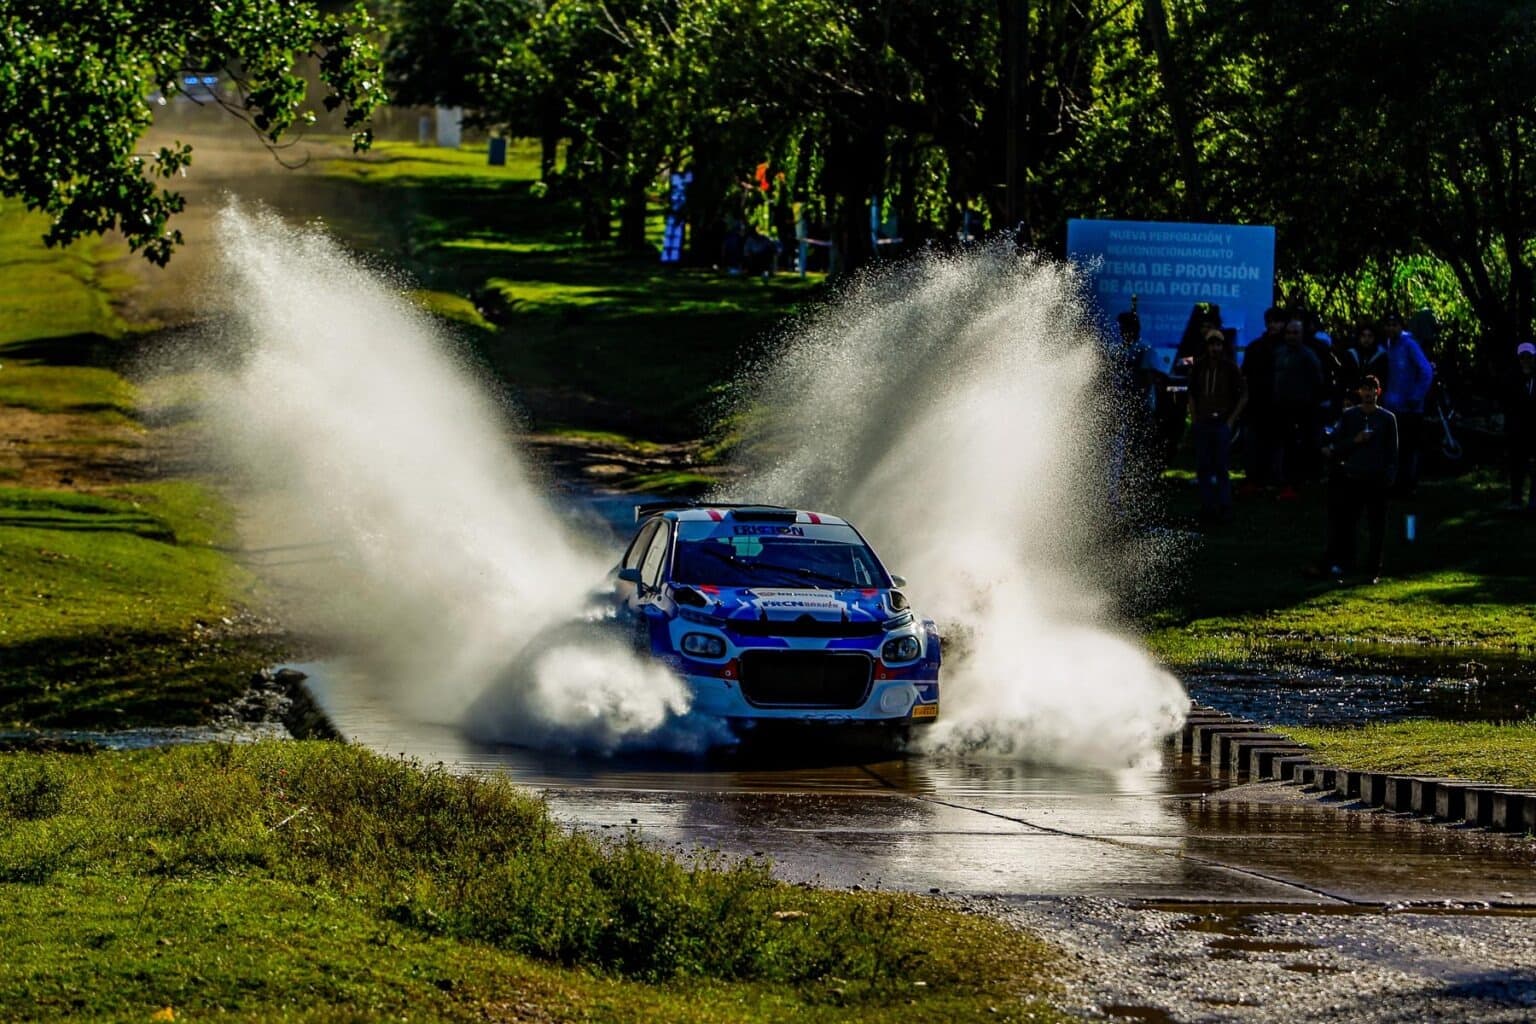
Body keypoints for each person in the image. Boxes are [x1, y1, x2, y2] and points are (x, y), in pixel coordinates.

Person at [1323, 374, 1398, 582]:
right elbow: (1337, 447)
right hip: (1353, 477)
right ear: (1359, 392)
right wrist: (1354, 441)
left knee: (1377, 527)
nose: (1368, 394)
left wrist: (1389, 476)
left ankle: (1373, 569)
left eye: (1372, 390)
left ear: (1378, 392)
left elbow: (1393, 451)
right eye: (1365, 389)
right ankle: (1348, 564)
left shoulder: (1387, 419)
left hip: (1377, 479)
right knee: (1348, 524)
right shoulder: (1350, 417)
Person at [1187, 328, 1247, 523]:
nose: (1215, 348)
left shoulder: (1230, 368)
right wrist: (1195, 418)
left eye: (1218, 344)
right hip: (1203, 422)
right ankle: (1207, 507)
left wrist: (1231, 421)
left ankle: (1224, 506)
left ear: (1223, 346)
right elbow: (1191, 393)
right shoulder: (1199, 367)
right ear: (1207, 346)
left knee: (1221, 466)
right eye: (1212, 344)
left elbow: (1244, 395)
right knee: (1203, 466)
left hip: (1221, 423)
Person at [1380, 312, 1434, 495]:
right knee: (1395, 447)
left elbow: (1426, 371)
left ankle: (1409, 485)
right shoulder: (1388, 346)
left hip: (1410, 407)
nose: (1391, 328)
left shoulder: (1409, 345)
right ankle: (1397, 484)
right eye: (1388, 325)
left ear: (1401, 327)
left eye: (1394, 325)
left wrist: (1416, 396)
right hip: (1392, 406)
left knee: (1409, 448)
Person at [1271, 318, 1325, 497]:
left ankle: (1296, 483)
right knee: (1282, 446)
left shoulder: (1309, 356)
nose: (1291, 336)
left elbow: (1318, 383)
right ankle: (1282, 480)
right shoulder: (1278, 353)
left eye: (1295, 333)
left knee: (1298, 447)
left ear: (1302, 335)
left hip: (1302, 410)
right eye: (1288, 332)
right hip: (1280, 408)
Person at [1240, 306, 1287, 491]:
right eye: (1271, 321)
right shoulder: (1255, 347)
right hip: (1257, 403)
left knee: (1277, 445)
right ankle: (1254, 479)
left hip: (1279, 404)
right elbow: (1246, 374)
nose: (1274, 325)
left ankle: (1275, 480)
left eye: (1277, 321)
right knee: (1254, 444)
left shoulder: (1288, 347)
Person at [1507, 342, 1536, 511]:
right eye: (1522, 357)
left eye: (1529, 357)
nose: (1525, 360)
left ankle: (1533, 500)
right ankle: (1516, 500)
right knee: (1517, 465)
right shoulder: (1511, 378)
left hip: (1533, 428)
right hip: (1517, 428)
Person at [1338, 322, 1390, 407]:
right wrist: (1345, 397)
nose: (1366, 339)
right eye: (1363, 336)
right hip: (1352, 400)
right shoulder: (1351, 355)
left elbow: (1384, 381)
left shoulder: (1381, 357)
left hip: (1374, 402)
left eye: (1370, 336)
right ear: (1359, 337)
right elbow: (1343, 380)